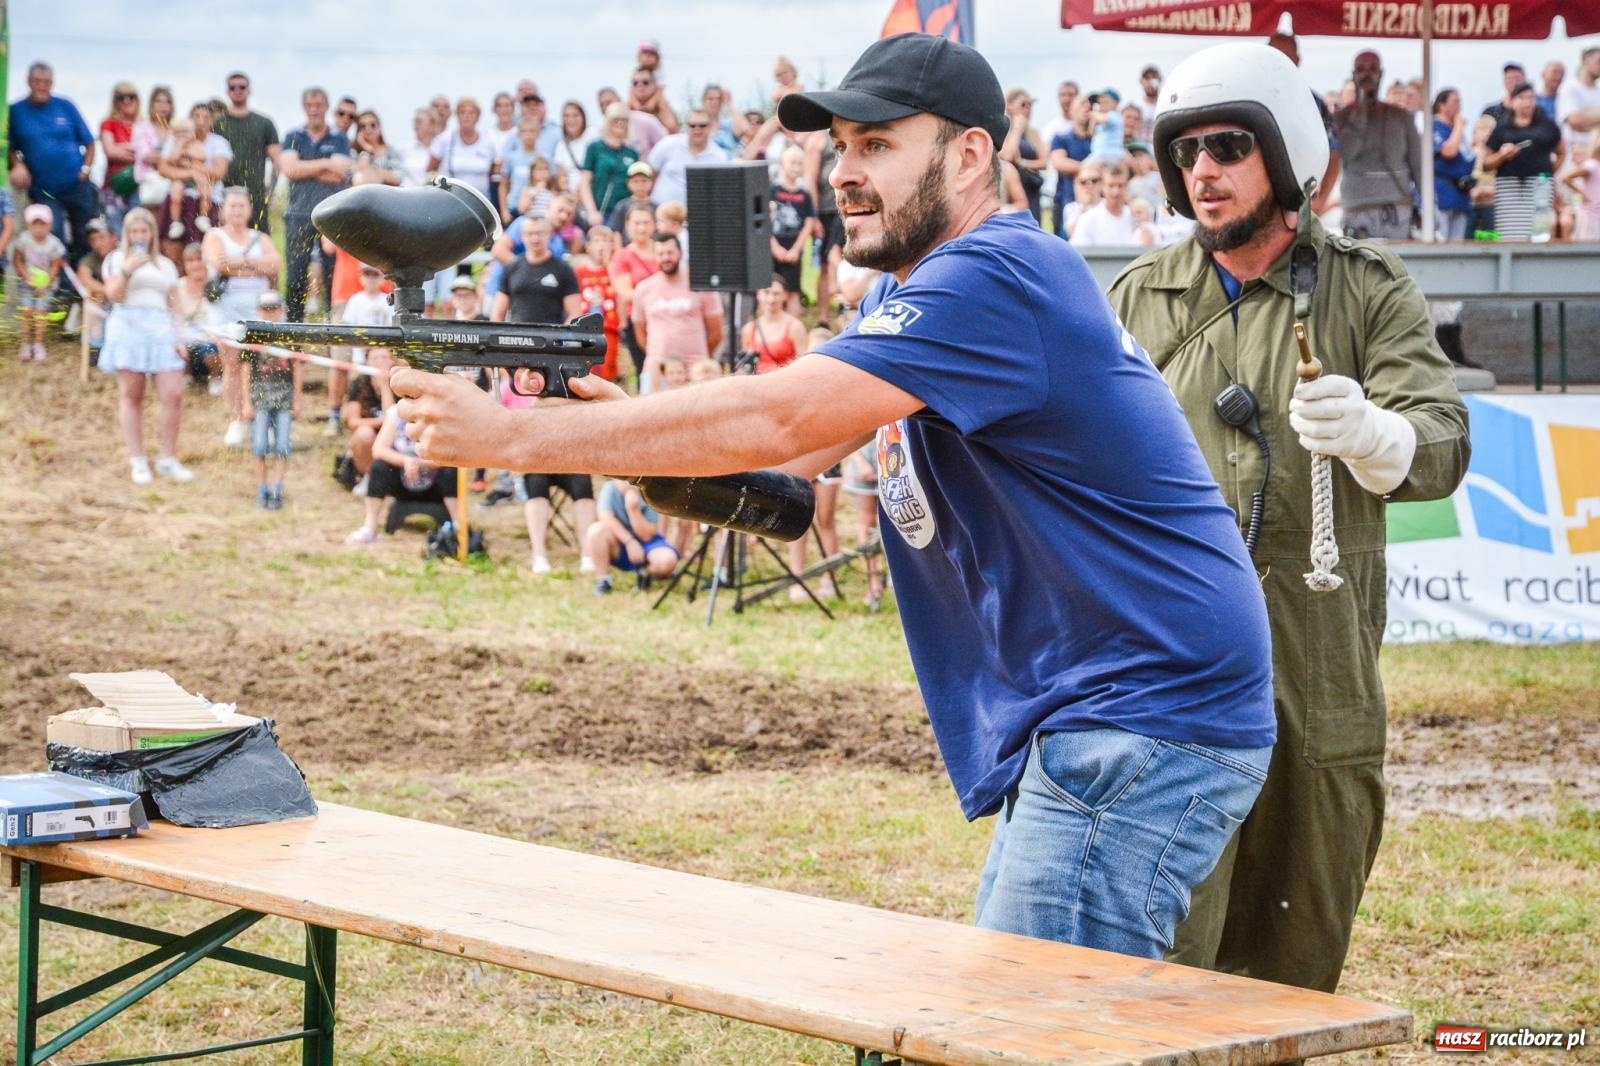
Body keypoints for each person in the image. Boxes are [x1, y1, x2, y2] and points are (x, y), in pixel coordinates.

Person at [394, 32, 1276, 964]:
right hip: (1120, 707)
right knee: (1029, 1006)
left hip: (1141, 711)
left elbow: (781, 419)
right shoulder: (923, 287)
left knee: (1040, 1022)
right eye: (842, 148)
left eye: (877, 146)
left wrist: (515, 437)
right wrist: (632, 445)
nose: (843, 173)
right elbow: (799, 461)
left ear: (970, 155)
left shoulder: (995, 275)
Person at [1107, 41, 1469, 993]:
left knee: (1295, 958)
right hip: (1173, 673)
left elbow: (1443, 441)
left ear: (1287, 151)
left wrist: (1375, 434)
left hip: (1319, 673)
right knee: (1169, 966)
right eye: (1185, 154)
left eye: (1227, 145)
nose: (1203, 171)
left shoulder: (1364, 287)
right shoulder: (1137, 301)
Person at [99, 207, 194, 484]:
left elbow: (175, 303)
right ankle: (138, 460)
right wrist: (128, 270)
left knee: (172, 393)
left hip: (161, 329)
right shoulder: (116, 260)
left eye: (144, 230)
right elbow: (113, 295)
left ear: (152, 233)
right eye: (134, 231)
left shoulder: (165, 265)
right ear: (127, 234)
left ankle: (167, 458)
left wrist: (180, 337)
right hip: (128, 326)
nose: (140, 235)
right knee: (132, 395)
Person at [204, 186, 280, 446]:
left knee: (264, 364)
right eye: (232, 205)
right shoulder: (214, 236)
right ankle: (236, 419)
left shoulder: (261, 237)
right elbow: (218, 264)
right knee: (232, 363)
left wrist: (239, 263)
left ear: (249, 209)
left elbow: (275, 265)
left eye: (241, 205)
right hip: (227, 308)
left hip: (259, 309)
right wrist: (256, 266)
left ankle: (264, 418)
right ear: (223, 209)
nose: (237, 210)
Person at [9, 62, 100, 278]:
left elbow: (90, 142)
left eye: (47, 83)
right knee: (54, 235)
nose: (42, 86)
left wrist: (85, 169)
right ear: (29, 82)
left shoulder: (65, 106)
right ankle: (60, 288)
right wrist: (18, 164)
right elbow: (9, 146)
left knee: (86, 234)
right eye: (37, 82)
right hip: (44, 189)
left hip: (76, 183)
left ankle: (84, 283)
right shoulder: (16, 111)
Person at [279, 87, 352, 322]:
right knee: (295, 276)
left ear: (326, 107)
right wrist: (325, 164)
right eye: (310, 105)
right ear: (304, 107)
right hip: (298, 213)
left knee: (332, 274)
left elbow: (339, 174)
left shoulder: (339, 137)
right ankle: (293, 332)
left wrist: (305, 167)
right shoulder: (293, 135)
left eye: (318, 105)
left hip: (331, 216)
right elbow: (290, 169)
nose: (314, 110)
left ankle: (332, 328)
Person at [1333, 50, 1422, 240]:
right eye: (1361, 69)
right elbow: (1345, 154)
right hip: (1357, 210)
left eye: (1372, 69)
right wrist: (1361, 113)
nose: (1367, 74)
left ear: (1381, 74)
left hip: (1397, 210)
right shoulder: (1342, 118)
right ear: (1354, 75)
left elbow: (1418, 165)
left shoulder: (1401, 117)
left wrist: (1426, 208)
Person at [629, 231, 723, 390]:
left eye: (670, 252)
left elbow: (716, 332)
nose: (666, 258)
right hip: (657, 372)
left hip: (696, 371)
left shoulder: (701, 286)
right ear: (654, 256)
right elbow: (640, 333)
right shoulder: (643, 289)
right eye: (661, 253)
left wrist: (698, 356)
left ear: (680, 252)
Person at [241, 291, 303, 510]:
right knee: (259, 445)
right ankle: (262, 488)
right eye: (266, 309)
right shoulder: (253, 336)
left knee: (282, 445)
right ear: (259, 311)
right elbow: (246, 371)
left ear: (280, 310)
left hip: (284, 398)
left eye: (273, 309)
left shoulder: (289, 335)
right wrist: (246, 402)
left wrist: (297, 399)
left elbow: (297, 368)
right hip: (260, 399)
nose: (270, 313)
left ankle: (277, 487)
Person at [1484, 81, 1566, 240]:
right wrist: (1502, 155)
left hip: (1540, 183)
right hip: (1509, 184)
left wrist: (1549, 171)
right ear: (1513, 101)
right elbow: (1486, 163)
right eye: (1522, 98)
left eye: (1531, 98)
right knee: (1510, 233)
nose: (1527, 102)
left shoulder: (1547, 126)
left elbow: (1561, 152)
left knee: (1540, 232)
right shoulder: (1502, 128)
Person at [586, 478, 679, 595]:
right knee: (595, 531)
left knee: (667, 561)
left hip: (649, 545)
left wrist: (633, 509)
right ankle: (603, 580)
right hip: (620, 545)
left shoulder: (647, 491)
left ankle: (645, 572)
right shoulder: (610, 488)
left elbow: (648, 535)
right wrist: (629, 541)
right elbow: (605, 518)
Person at [213, 72, 280, 232]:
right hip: (223, 196)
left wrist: (270, 192)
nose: (237, 90)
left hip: (255, 196)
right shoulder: (217, 124)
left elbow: (277, 160)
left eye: (242, 87)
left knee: (259, 241)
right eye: (233, 87)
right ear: (227, 91)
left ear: (249, 90)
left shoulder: (264, 123)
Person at [13, 204, 66, 361]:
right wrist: (27, 278)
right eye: (34, 225)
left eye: (42, 224)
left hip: (46, 286)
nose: (38, 229)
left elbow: (56, 266)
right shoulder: (24, 239)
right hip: (27, 284)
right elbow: (18, 260)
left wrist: (46, 284)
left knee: (41, 313)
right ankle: (25, 344)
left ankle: (38, 344)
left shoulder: (54, 244)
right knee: (27, 312)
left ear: (49, 225)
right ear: (28, 225)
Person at [647, 108, 730, 206]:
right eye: (692, 126)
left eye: (702, 125)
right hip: (661, 209)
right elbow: (650, 171)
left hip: (698, 212)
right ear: (686, 127)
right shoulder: (668, 144)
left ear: (710, 127)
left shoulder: (719, 156)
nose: (697, 130)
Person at [769, 145, 816, 312]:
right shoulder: (772, 191)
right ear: (782, 164)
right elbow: (763, 221)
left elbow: (808, 223)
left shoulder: (805, 195)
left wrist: (796, 249)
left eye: (799, 163)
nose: (796, 167)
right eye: (792, 163)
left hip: (793, 246)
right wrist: (774, 247)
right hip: (774, 246)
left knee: (793, 290)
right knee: (769, 287)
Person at [580, 103, 641, 225]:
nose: (620, 123)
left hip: (625, 212)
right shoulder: (595, 147)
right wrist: (592, 211)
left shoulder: (632, 153)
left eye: (624, 120)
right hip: (602, 211)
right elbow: (584, 182)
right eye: (616, 119)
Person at [1431, 89, 1475, 240]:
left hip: (1461, 196)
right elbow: (1449, 151)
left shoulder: (1458, 131)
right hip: (1442, 194)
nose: (1459, 106)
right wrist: (1458, 126)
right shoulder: (1435, 126)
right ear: (1442, 105)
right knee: (1441, 244)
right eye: (1455, 101)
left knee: (1457, 246)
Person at [98, 82, 142, 232]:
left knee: (137, 225)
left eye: (131, 97)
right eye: (121, 98)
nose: (126, 101)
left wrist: (121, 146)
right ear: (115, 101)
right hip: (114, 185)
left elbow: (150, 152)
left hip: (138, 184)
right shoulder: (108, 123)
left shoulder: (143, 124)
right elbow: (110, 151)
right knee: (116, 229)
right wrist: (137, 151)